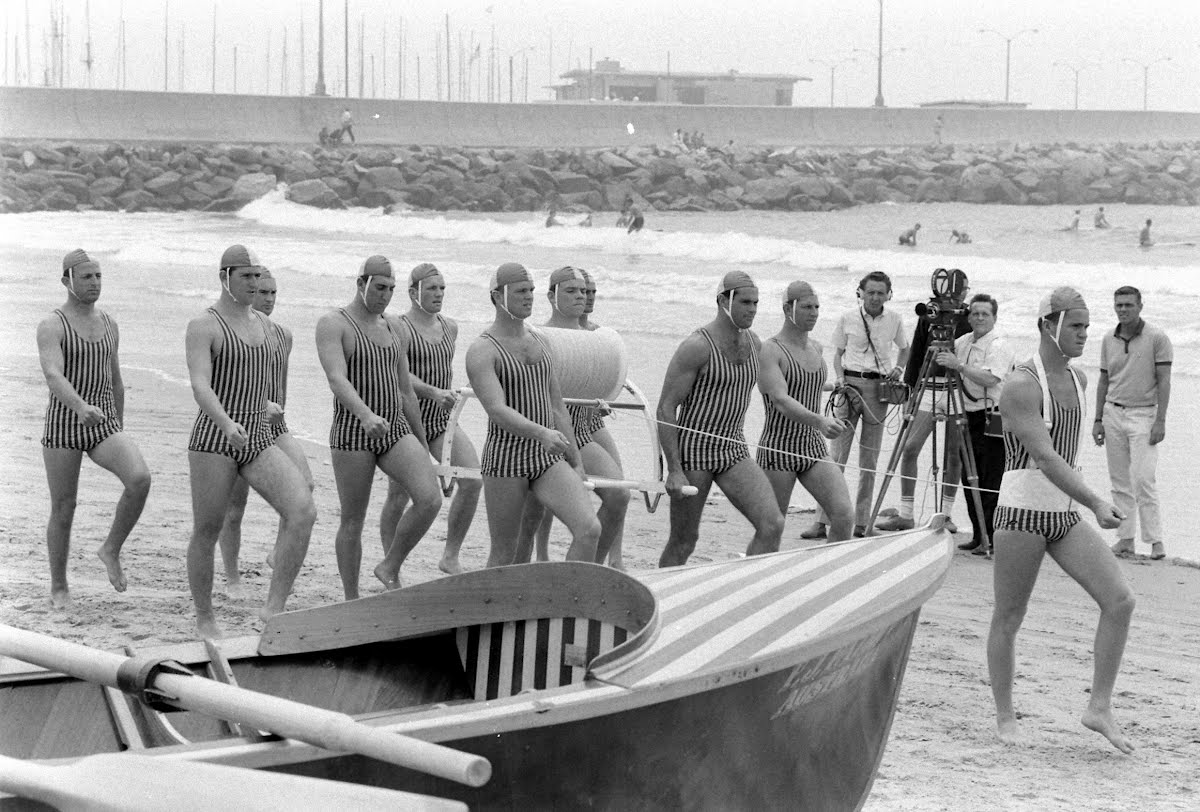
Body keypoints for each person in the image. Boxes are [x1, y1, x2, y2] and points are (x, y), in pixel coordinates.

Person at [988, 286, 1135, 755]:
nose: (1084, 335)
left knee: (1120, 601)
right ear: (1047, 326)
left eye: (1087, 327)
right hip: (1022, 512)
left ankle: (1099, 707)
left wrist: (1085, 504)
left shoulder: (1079, 380)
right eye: (1075, 326)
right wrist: (1096, 501)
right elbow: (1048, 459)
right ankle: (1005, 715)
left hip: (1062, 514)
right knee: (1010, 617)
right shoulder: (1020, 385)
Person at [185, 246, 316, 638]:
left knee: (302, 511)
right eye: (247, 277)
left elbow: (265, 382)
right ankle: (205, 616)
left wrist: (275, 409)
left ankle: (273, 609)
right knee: (207, 529)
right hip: (214, 439)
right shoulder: (204, 325)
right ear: (225, 277)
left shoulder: (268, 328)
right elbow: (199, 384)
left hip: (258, 438)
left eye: (258, 277)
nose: (255, 284)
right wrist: (225, 422)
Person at [315, 256, 442, 600]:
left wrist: (425, 446)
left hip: (395, 430)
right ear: (361, 284)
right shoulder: (333, 324)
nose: (385, 295)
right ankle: (351, 597)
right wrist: (365, 415)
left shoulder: (394, 328)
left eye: (391, 289)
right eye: (379, 287)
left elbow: (405, 391)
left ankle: (390, 565)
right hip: (352, 432)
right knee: (353, 520)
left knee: (430, 498)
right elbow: (336, 378)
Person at [37, 249, 152, 609]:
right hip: (65, 424)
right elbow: (53, 375)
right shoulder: (52, 325)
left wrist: (118, 423)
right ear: (67, 281)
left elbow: (115, 380)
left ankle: (110, 549)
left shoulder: (110, 324)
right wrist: (80, 406)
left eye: (98, 276)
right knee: (64, 506)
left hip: (103, 425)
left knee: (140, 478)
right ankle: (59, 587)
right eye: (86, 277)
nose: (94, 283)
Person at [465, 262, 600, 567]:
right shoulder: (482, 350)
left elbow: (556, 405)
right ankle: (497, 613)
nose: (529, 297)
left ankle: (567, 600)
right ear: (498, 297)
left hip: (546, 457)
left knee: (589, 529)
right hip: (506, 459)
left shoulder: (540, 341)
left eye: (531, 291)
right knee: (506, 552)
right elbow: (497, 410)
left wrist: (576, 461)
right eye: (521, 292)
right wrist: (540, 432)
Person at [656, 271, 784, 566]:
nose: (752, 309)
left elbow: (774, 393)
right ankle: (663, 601)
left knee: (772, 524)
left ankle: (746, 593)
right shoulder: (697, 346)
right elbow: (666, 407)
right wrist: (674, 469)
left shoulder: (755, 343)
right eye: (746, 302)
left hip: (733, 450)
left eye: (756, 302)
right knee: (685, 541)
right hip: (694, 454)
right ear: (723, 301)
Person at [518, 267, 630, 566]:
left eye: (583, 291)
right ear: (552, 296)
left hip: (579, 434)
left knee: (619, 495)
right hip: (542, 437)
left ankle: (588, 567)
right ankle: (524, 569)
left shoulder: (594, 339)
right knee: (529, 519)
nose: (580, 296)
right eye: (571, 291)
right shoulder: (536, 336)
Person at [377, 263, 481, 576]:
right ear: (413, 292)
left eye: (442, 288)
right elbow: (399, 373)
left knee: (473, 478)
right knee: (399, 494)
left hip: (441, 421)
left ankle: (450, 555)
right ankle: (390, 560)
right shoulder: (398, 325)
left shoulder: (451, 326)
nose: (438, 294)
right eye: (432, 288)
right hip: (406, 421)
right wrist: (433, 391)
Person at [217, 270, 313, 597]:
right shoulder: (232, 331)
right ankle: (232, 578)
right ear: (250, 294)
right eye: (263, 293)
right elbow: (227, 386)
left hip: (273, 424)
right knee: (234, 509)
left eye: (274, 292)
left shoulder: (282, 335)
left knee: (306, 483)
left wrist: (277, 411)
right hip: (239, 423)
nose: (269, 299)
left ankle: (278, 551)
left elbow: (280, 385)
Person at [802, 271, 909, 539]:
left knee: (869, 460)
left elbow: (905, 349)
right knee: (836, 457)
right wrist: (839, 379)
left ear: (889, 294)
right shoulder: (847, 318)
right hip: (848, 385)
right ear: (860, 292)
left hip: (879, 389)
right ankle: (821, 522)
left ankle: (863, 523)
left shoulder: (895, 319)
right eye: (870, 291)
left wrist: (898, 368)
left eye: (880, 292)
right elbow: (837, 355)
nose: (875, 297)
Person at [875, 271, 971, 534]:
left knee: (954, 454)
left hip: (955, 388)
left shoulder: (968, 316)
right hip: (927, 389)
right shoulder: (931, 315)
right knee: (910, 448)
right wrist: (909, 393)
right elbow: (917, 351)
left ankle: (947, 515)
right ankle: (906, 514)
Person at [757, 281, 854, 541]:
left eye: (817, 307)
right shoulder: (770, 349)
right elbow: (780, 398)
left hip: (812, 446)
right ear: (788, 308)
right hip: (778, 447)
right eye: (807, 307)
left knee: (844, 516)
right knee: (772, 527)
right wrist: (820, 421)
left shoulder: (817, 348)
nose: (814, 313)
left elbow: (805, 383)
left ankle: (828, 577)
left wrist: (835, 385)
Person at [1093, 286, 1172, 560]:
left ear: (1140, 306)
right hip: (1113, 412)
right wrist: (1098, 419)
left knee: (1143, 480)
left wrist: (1160, 420)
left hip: (1144, 415)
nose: (1123, 309)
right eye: (1119, 305)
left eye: (1128, 305)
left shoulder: (1157, 337)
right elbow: (1104, 379)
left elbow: (1164, 380)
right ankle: (1125, 539)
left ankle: (1155, 541)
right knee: (1119, 481)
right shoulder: (1107, 338)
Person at [941, 294, 1015, 553]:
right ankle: (977, 533)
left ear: (994, 317)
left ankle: (992, 537)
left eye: (985, 313)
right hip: (967, 415)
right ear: (968, 316)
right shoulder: (963, 341)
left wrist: (959, 366)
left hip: (993, 415)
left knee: (989, 476)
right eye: (975, 313)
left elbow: (990, 379)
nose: (980, 318)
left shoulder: (999, 345)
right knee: (968, 476)